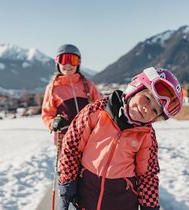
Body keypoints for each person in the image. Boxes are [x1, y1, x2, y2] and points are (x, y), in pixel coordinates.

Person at [57, 67, 183, 210]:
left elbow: (148, 175)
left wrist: (150, 207)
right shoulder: (96, 111)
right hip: (86, 195)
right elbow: (71, 147)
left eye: (155, 110)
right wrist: (67, 184)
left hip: (122, 201)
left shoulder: (146, 136)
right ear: (135, 88)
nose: (147, 109)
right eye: (147, 99)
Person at [42, 44, 101, 146]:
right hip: (65, 138)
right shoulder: (53, 88)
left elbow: (100, 107)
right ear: (57, 62)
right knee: (68, 162)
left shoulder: (88, 85)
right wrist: (53, 123)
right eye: (63, 60)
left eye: (73, 60)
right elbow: (47, 114)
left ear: (78, 63)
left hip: (89, 136)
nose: (68, 65)